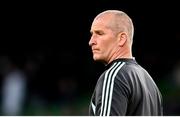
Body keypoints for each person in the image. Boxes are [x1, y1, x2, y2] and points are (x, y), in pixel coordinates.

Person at [88, 10, 163, 116]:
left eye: (99, 33)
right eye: (92, 34)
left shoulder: (114, 77)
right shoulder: (150, 82)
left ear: (121, 39)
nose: (91, 41)